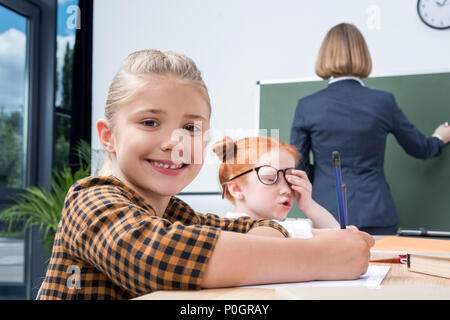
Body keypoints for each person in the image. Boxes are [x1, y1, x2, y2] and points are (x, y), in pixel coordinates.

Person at [37, 49, 374, 300]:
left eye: (191, 127)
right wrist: (321, 257)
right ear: (108, 136)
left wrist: (255, 246)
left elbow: (253, 226)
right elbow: (158, 259)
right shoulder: (90, 199)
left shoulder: (174, 213)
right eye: (150, 122)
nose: (175, 142)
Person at [290, 23, 450, 235]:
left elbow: (299, 167)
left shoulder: (307, 106)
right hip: (377, 213)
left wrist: (323, 181)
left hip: (325, 214)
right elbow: (420, 148)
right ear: (363, 55)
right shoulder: (383, 102)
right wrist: (439, 138)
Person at [212, 136, 340, 238]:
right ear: (236, 189)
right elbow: (340, 239)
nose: (287, 190)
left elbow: (340, 238)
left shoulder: (288, 226)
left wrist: (309, 205)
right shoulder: (235, 231)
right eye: (270, 179)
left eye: (290, 180)